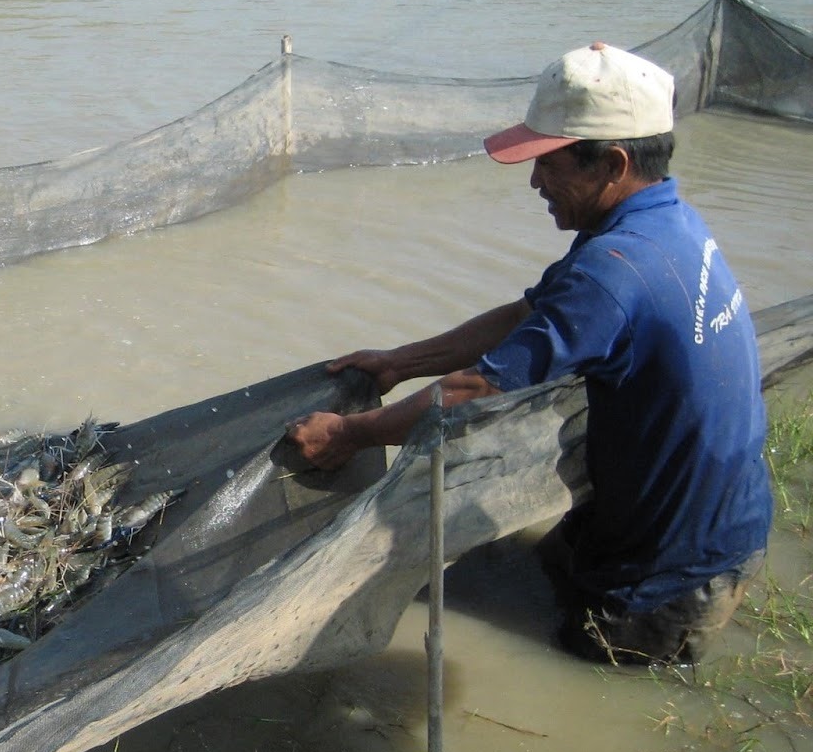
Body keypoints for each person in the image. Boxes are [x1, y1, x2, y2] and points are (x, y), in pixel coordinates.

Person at [286, 41, 772, 667]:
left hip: (675, 573)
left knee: (582, 666)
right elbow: (527, 316)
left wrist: (353, 433)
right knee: (534, 575)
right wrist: (399, 362)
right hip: (706, 515)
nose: (535, 179)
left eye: (550, 162)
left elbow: (478, 391)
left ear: (613, 164)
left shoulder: (614, 271)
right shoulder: (661, 225)